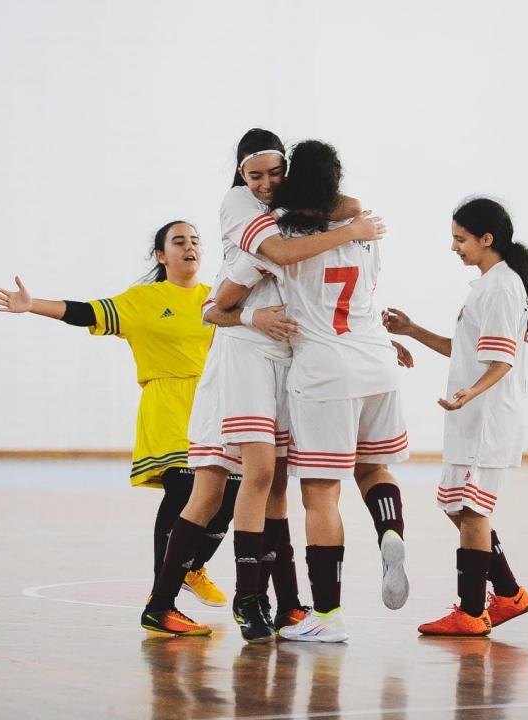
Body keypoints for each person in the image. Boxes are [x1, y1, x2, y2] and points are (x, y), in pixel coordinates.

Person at [0, 220, 294, 634]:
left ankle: (191, 568)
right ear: (160, 255)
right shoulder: (144, 300)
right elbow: (87, 312)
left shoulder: (217, 299)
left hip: (217, 405)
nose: (189, 247)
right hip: (168, 406)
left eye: (195, 240)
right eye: (178, 241)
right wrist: (33, 305)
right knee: (186, 490)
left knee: (230, 499)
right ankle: (162, 596)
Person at [143, 130, 383, 643]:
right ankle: (247, 599)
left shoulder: (301, 230)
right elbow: (216, 306)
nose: (268, 183)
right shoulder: (251, 223)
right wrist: (253, 317)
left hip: (288, 362)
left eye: (278, 174)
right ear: (241, 176)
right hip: (244, 358)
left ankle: (285, 603)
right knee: (251, 477)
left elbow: (345, 208)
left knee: (264, 484)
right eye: (257, 175)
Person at [219, 140, 412, 642]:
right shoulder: (368, 231)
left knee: (322, 495)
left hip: (326, 373)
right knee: (374, 468)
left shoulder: (280, 238)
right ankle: (391, 529)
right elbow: (363, 292)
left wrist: (244, 312)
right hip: (377, 362)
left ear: (291, 177)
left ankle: (327, 616)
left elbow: (220, 303)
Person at [383, 197, 528, 636]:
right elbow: (463, 352)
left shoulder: (501, 287)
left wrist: (468, 395)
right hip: (470, 418)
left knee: (472, 512)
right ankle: (510, 593)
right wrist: (412, 330)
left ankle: (472, 612)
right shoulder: (486, 286)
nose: (454, 247)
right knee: (457, 508)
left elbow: (502, 361)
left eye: (460, 239)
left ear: (486, 239)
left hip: (486, 421)